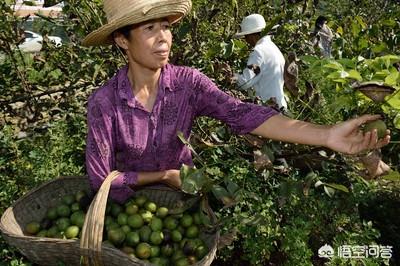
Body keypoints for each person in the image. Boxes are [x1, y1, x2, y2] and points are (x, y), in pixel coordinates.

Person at [83, 0, 390, 203]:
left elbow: (244, 114)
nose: (163, 37)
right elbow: (101, 179)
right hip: (128, 218)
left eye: (166, 26)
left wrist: (327, 134)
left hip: (183, 207)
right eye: (150, 28)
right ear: (122, 40)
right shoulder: (105, 103)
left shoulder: (187, 84)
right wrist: (164, 177)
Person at [232, 14, 287, 110]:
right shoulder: (274, 49)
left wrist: (233, 77)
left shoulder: (259, 51)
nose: (246, 40)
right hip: (279, 105)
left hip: (267, 109)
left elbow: (245, 82)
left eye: (246, 36)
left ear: (252, 35)